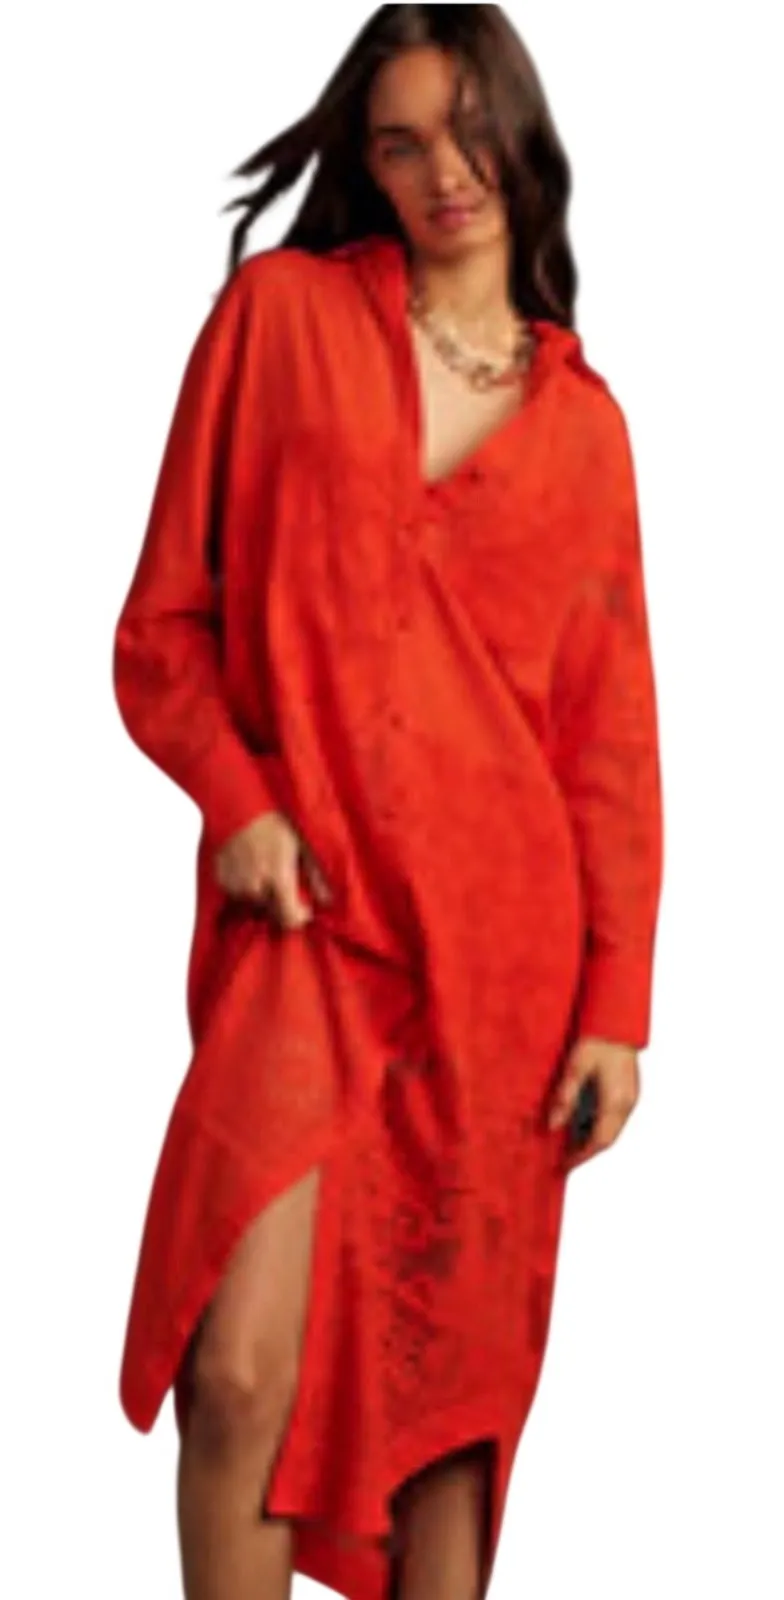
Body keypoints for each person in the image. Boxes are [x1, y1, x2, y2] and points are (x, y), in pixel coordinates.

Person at [112, 8, 664, 1600]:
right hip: (307, 924)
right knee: (237, 1377)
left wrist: (616, 1009)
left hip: (502, 970)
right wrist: (238, 800)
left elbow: (611, 749)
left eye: (470, 127)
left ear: (524, 135)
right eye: (401, 141)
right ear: (365, 163)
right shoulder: (278, 322)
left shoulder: (587, 430)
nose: (446, 171)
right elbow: (162, 632)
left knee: (442, 1433)